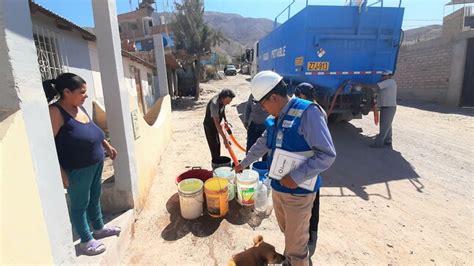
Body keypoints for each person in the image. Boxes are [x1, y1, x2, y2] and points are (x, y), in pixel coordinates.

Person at [235, 71, 336, 266]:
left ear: (273, 97)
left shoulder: (308, 112)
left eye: (263, 104)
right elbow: (263, 143)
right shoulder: (275, 118)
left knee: (296, 247)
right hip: (279, 189)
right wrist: (245, 162)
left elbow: (327, 154)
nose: (263, 109)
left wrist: (297, 176)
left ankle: (296, 260)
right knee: (289, 234)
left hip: (299, 193)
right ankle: (291, 257)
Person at [43, 73, 120, 256]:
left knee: (94, 198)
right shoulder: (56, 112)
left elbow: (92, 129)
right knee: (80, 205)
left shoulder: (79, 108)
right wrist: (60, 173)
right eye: (82, 92)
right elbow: (48, 146)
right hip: (76, 169)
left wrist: (106, 145)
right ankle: (86, 240)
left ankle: (99, 229)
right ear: (67, 92)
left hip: (95, 164)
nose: (86, 95)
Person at [294, 82, 327, 245]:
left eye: (297, 96)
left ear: (302, 96)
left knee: (308, 201)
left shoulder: (310, 111)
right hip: (314, 162)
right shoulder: (318, 109)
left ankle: (309, 233)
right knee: (314, 199)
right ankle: (312, 232)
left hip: (310, 161)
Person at [356, 71, 397, 148]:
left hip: (388, 107)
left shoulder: (390, 82)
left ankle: (378, 144)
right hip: (386, 106)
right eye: (382, 76)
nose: (382, 77)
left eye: (383, 76)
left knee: (384, 125)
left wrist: (361, 85)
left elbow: (375, 87)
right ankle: (388, 141)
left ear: (388, 76)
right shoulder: (387, 83)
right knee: (387, 125)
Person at [203, 89, 236, 161]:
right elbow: (217, 123)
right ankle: (215, 165)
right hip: (210, 126)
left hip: (216, 125)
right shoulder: (214, 104)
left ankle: (217, 161)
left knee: (218, 146)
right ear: (223, 98)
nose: (229, 103)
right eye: (228, 101)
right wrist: (225, 139)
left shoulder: (223, 101)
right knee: (214, 147)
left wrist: (226, 121)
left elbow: (222, 110)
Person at [244, 94, 268, 159]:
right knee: (250, 145)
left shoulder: (269, 94)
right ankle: (246, 165)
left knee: (265, 147)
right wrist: (246, 120)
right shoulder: (253, 95)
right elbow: (248, 108)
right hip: (253, 125)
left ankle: (264, 166)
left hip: (265, 126)